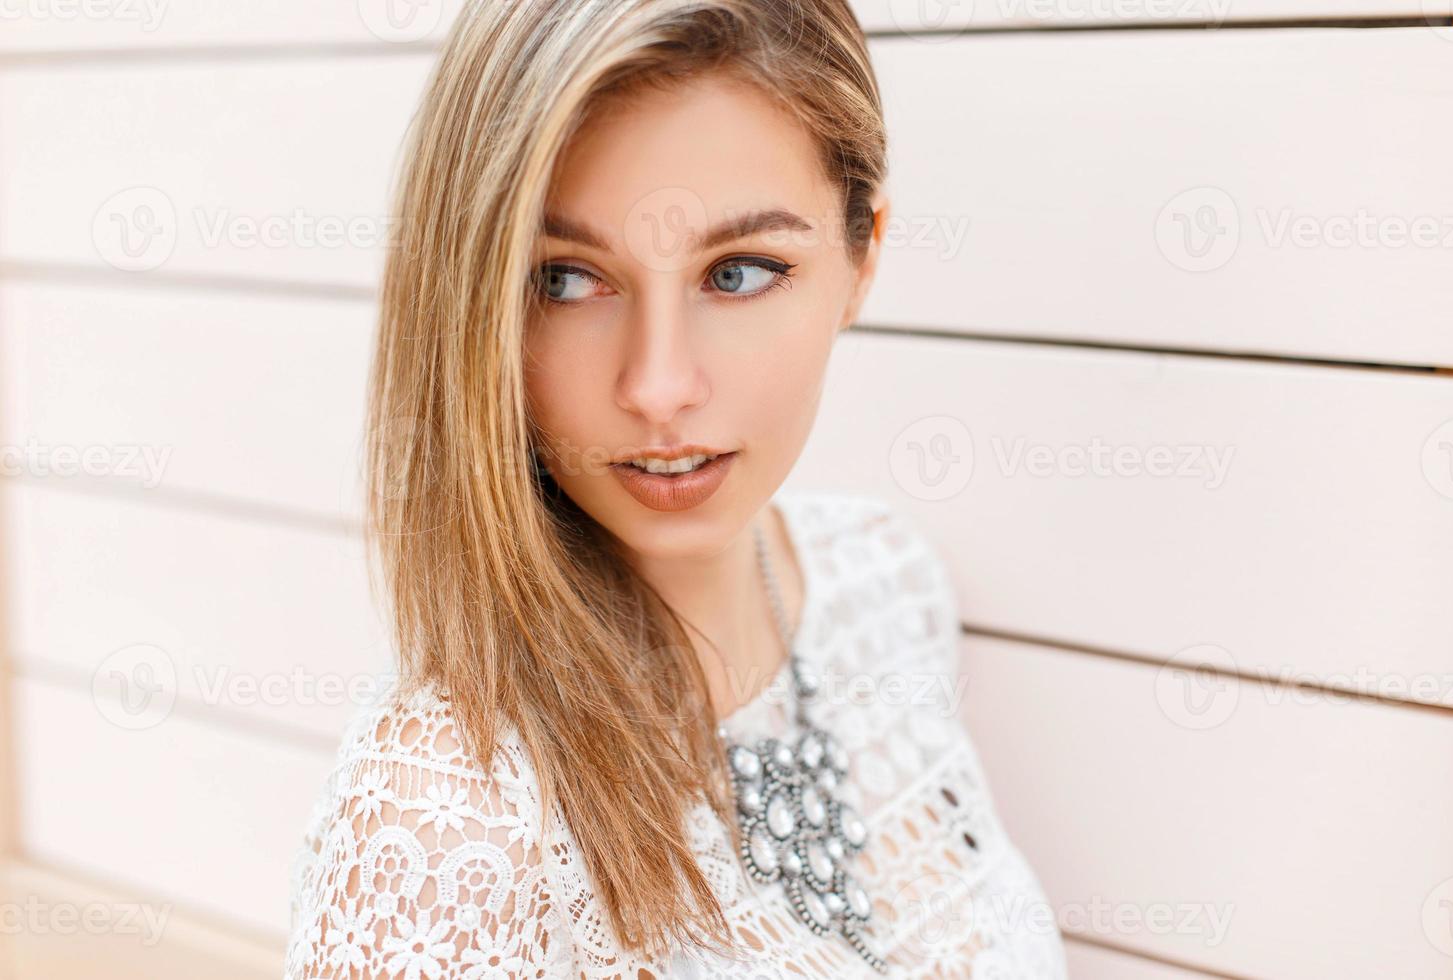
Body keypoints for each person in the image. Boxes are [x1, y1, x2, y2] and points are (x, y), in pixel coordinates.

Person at [284, 0, 1067, 976]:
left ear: (863, 254)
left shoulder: (885, 581)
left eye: (738, 272)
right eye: (567, 280)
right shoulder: (449, 805)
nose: (657, 387)